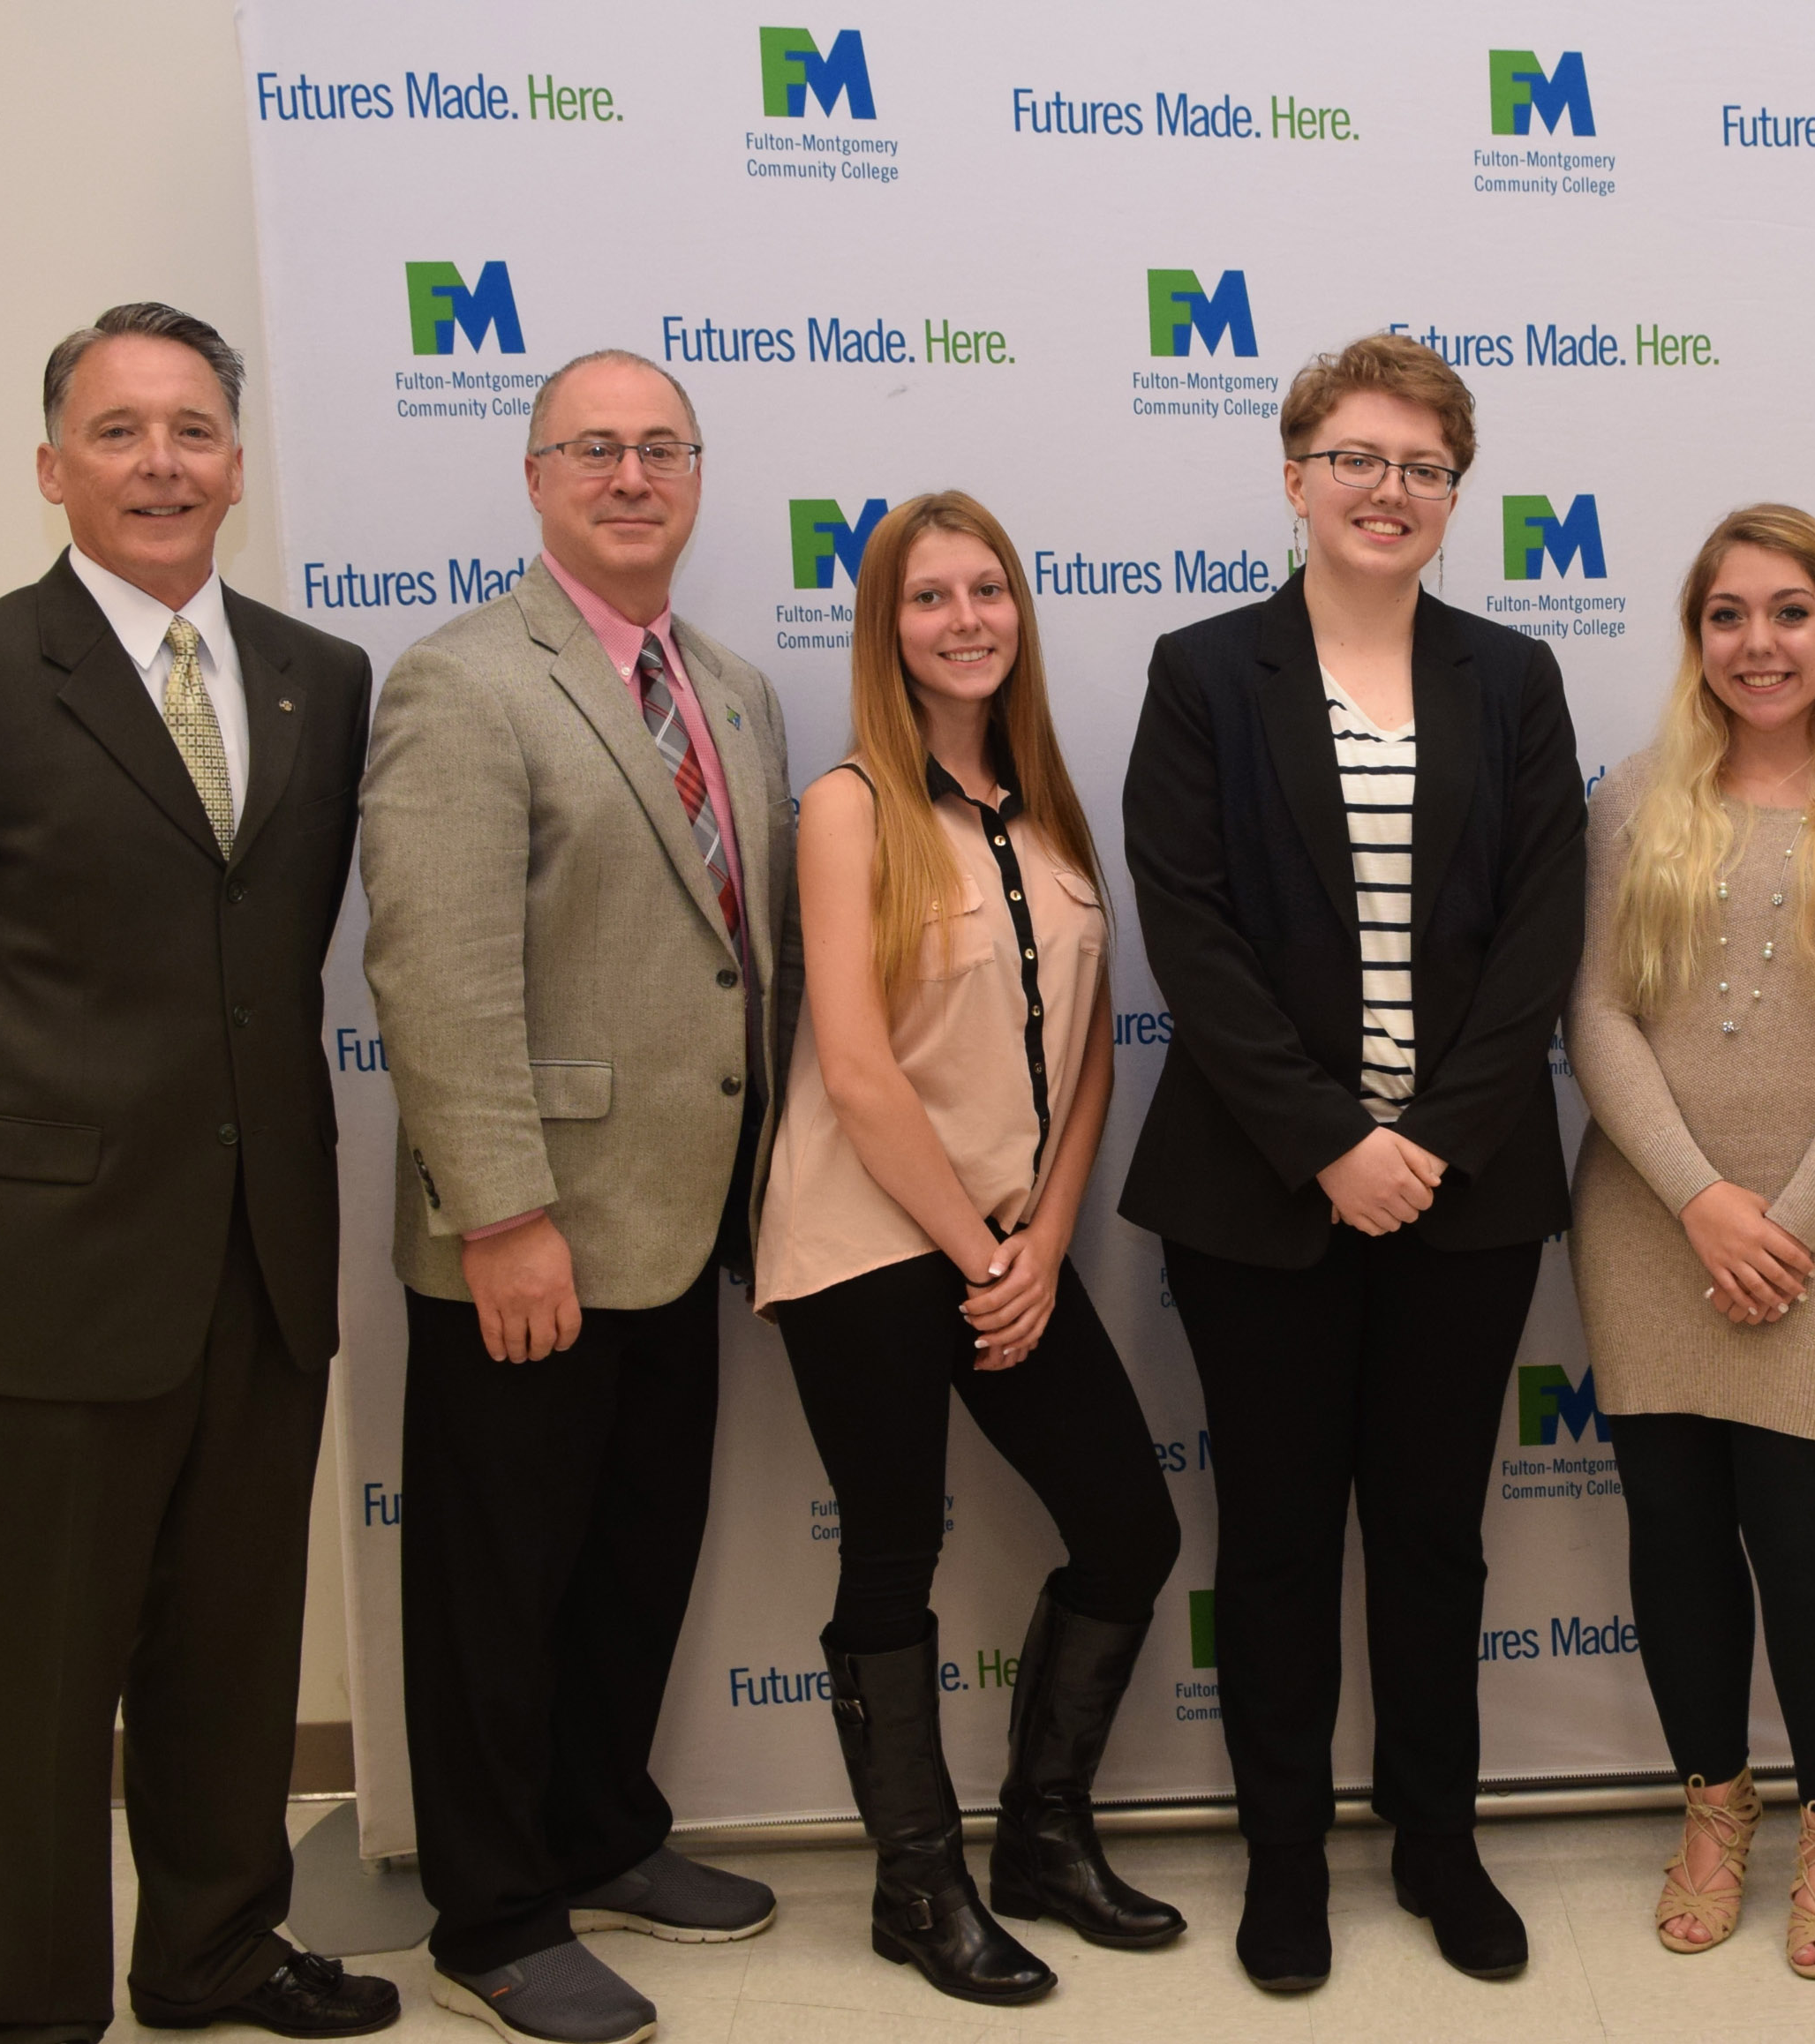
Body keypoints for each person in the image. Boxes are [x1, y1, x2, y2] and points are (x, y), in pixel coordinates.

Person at [0, 304, 398, 2044]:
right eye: (118, 431)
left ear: (237, 463)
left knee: (230, 1657)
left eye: (191, 429)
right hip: (41, 1286)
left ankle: (213, 1957)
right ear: (51, 468)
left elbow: (273, 958)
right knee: (31, 1689)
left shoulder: (323, 678)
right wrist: (23, 1165)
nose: (160, 461)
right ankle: (31, 2016)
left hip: (260, 1261)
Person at [1119, 332, 1587, 1992]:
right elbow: (1192, 933)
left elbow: (1541, 933)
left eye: (1422, 468)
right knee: (1274, 1539)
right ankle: (1284, 1858)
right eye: (1358, 459)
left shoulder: (1513, 679)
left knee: (1436, 1537)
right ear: (1296, 471)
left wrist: (1427, 1148)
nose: (1387, 492)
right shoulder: (1203, 673)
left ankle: (1439, 1843)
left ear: (1454, 496)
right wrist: (1331, 1144)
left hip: (1465, 1202)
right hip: (1260, 1196)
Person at [362, 349, 802, 2044]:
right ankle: (493, 1911)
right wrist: (499, 1212)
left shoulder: (737, 691)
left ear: (697, 476)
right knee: (497, 1587)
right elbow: (438, 967)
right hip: (529, 1234)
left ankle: (604, 1831)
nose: (633, 475)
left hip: (686, 1225)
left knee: (635, 1559)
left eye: (662, 449)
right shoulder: (463, 682)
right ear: (536, 476)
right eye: (595, 449)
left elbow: (737, 973)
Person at [755, 491, 1185, 2005]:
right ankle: (915, 1885)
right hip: (868, 1242)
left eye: (987, 589)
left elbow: (1091, 1058)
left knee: (1132, 1531)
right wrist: (974, 1256)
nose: (965, 619)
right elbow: (857, 1070)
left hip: (1014, 1240)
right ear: (888, 628)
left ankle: (1043, 1842)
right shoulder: (847, 806)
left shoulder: (1055, 808)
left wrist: (1046, 1236)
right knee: (892, 1554)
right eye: (930, 596)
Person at [1567, 504, 1815, 1980]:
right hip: (1647, 1220)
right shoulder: (1629, 798)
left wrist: (1781, 1222)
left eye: (1789, 613)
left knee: (1805, 1547)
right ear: (1695, 637)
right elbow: (1597, 1015)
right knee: (1674, 1540)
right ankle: (1713, 1807)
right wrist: (1699, 1201)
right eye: (1728, 615)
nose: (1760, 643)